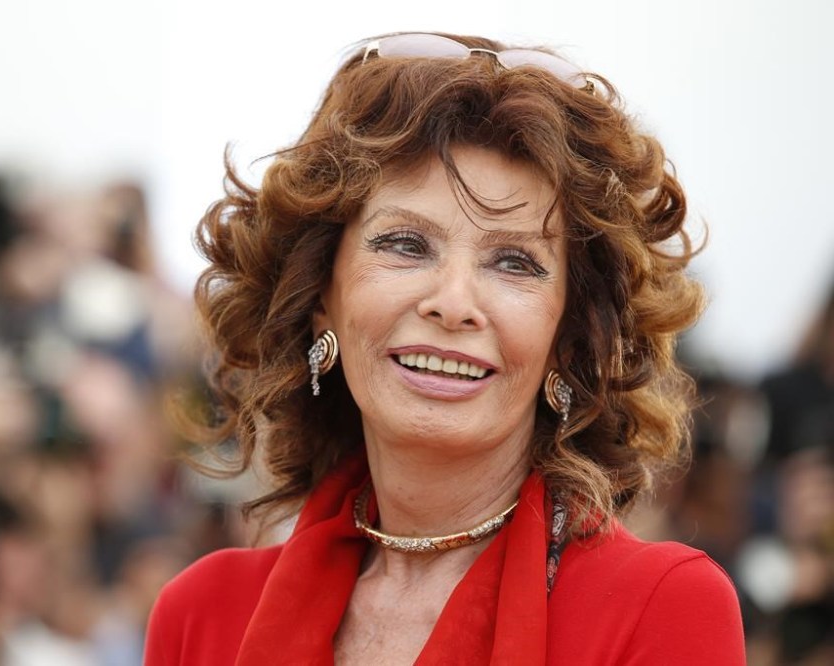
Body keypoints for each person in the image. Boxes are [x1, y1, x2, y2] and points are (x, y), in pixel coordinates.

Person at [144, 32, 745, 664]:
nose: (453, 303)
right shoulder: (201, 616)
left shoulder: (661, 608)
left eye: (514, 262)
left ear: (569, 338)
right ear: (321, 295)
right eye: (406, 245)